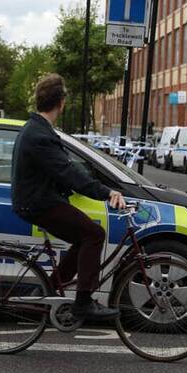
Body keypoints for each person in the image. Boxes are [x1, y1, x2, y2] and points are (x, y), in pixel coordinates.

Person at [11, 74, 126, 321]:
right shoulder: (40, 135)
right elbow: (68, 171)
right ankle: (83, 302)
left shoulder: (36, 129)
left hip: (39, 199)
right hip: (38, 203)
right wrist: (106, 192)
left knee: (83, 238)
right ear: (61, 103)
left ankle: (47, 290)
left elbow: (63, 168)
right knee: (94, 235)